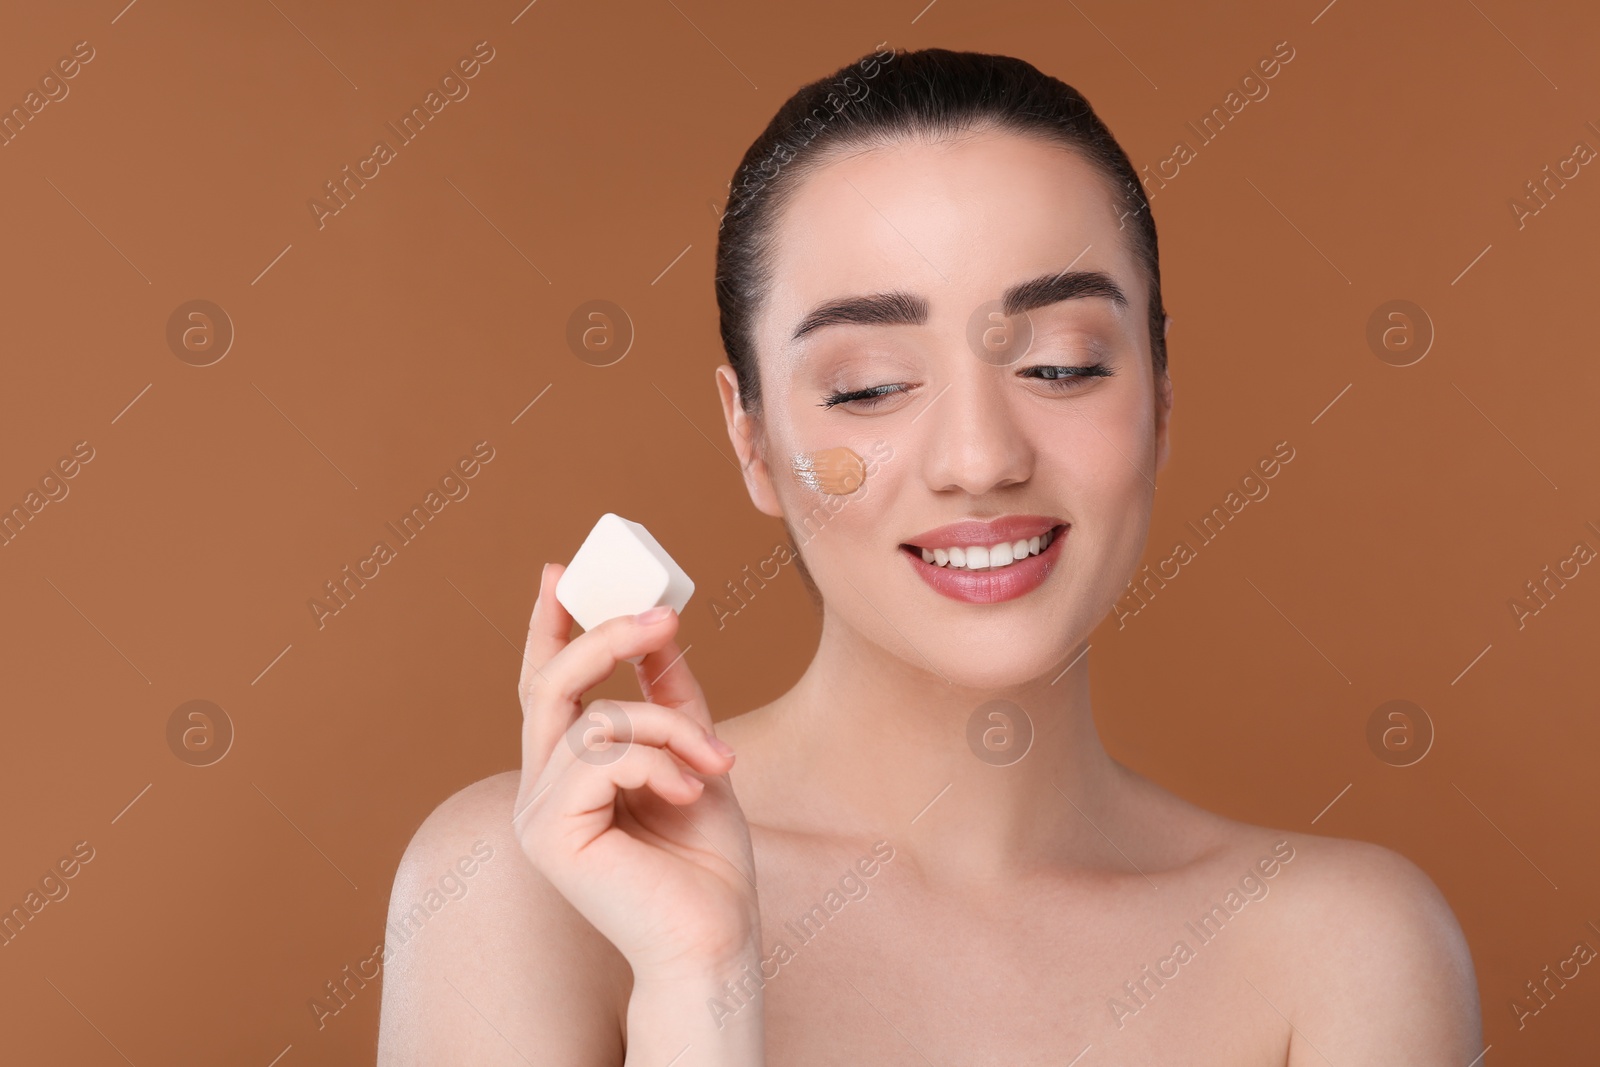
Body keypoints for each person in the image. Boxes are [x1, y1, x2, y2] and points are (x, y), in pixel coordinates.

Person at [376, 46, 1482, 1065]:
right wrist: (699, 986)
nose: (978, 457)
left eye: (1060, 364)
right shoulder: (532, 884)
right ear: (752, 438)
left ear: (1159, 398)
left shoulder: (1343, 948)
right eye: (867, 387)